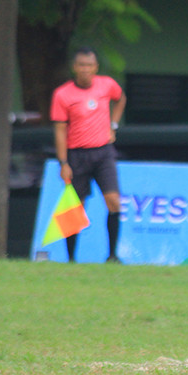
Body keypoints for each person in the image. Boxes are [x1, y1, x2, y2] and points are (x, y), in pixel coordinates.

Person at [51, 47, 127, 263]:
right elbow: (60, 130)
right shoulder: (63, 94)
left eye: (89, 65)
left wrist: (113, 125)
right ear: (74, 68)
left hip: (103, 152)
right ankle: (71, 259)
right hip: (77, 155)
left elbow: (121, 98)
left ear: (96, 68)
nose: (85, 69)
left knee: (113, 201)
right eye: (81, 65)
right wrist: (63, 162)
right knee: (76, 208)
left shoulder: (107, 85)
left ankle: (112, 256)